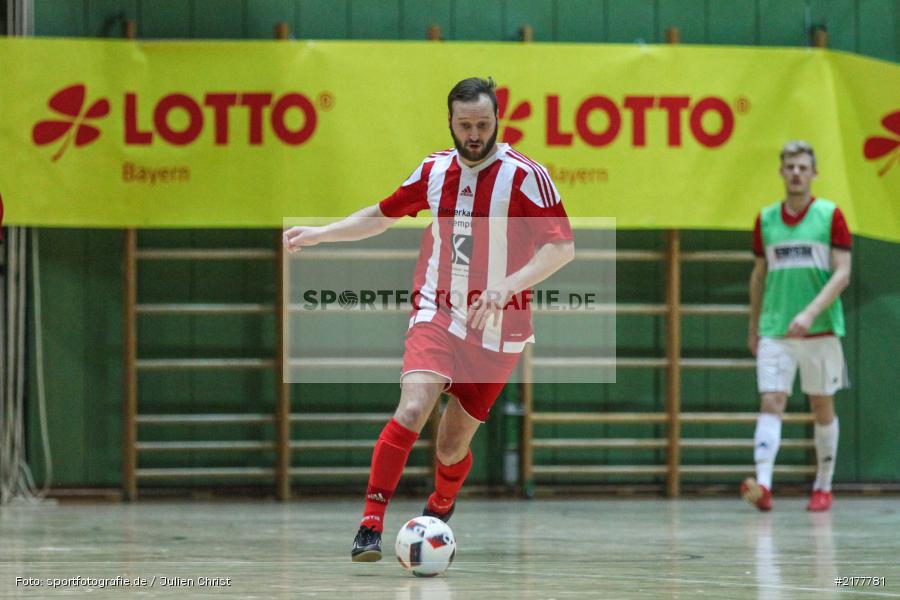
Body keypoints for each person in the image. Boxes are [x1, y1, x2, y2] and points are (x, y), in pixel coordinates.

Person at [283, 77, 574, 561]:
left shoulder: (526, 177)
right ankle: (370, 525)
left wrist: (506, 286)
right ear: (451, 123)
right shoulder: (435, 171)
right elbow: (381, 214)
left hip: (499, 328)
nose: (475, 134)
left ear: (498, 120)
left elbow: (560, 248)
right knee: (413, 407)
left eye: (483, 124)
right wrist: (321, 234)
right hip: (436, 310)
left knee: (451, 444)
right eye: (465, 125)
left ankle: (440, 505)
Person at [741, 140, 852, 513]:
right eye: (790, 166)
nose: (796, 173)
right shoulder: (766, 219)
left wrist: (809, 312)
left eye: (803, 167)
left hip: (820, 330)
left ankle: (823, 485)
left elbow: (843, 273)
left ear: (814, 173)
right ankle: (764, 485)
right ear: (781, 171)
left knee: (822, 406)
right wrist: (754, 325)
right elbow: (758, 276)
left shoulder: (830, 215)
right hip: (776, 329)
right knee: (771, 401)